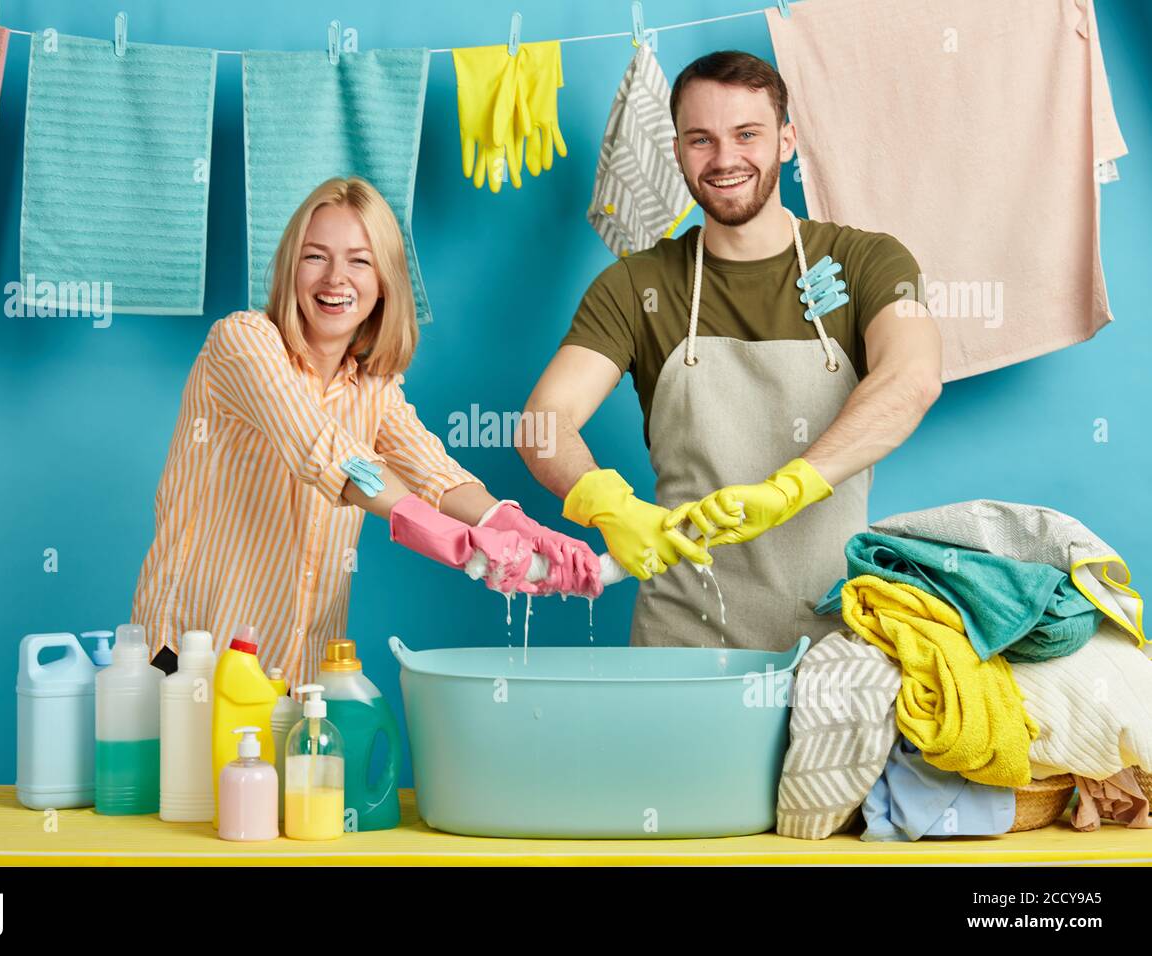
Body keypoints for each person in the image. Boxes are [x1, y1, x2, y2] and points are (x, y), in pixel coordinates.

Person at [519, 51, 943, 651]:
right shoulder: (637, 285)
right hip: (680, 640)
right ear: (677, 152)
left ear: (786, 141)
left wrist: (788, 489)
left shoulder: (866, 261)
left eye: (747, 134)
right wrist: (607, 504)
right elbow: (541, 423)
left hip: (836, 638)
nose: (724, 159)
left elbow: (912, 378)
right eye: (701, 139)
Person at [132, 176, 601, 684]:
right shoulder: (242, 342)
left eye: (359, 261)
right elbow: (323, 449)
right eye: (315, 256)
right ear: (291, 268)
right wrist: (452, 540)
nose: (336, 278)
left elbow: (437, 474)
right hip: (187, 663)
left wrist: (520, 529)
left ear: (384, 282)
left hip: (292, 675)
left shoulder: (374, 389)